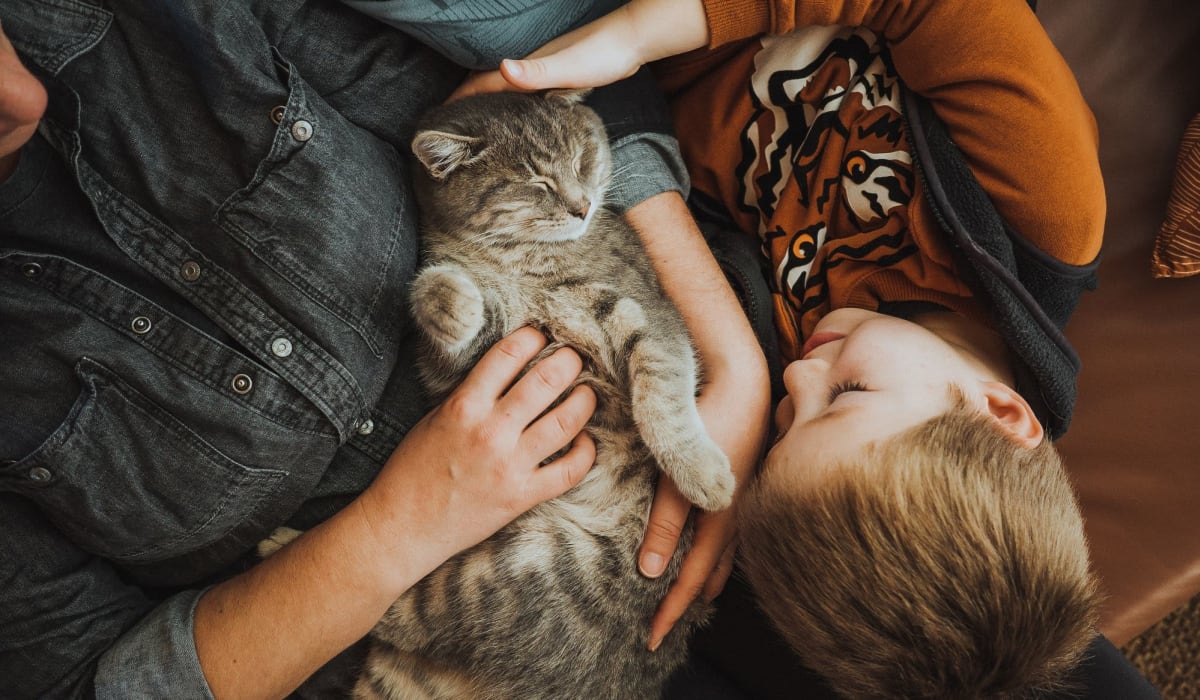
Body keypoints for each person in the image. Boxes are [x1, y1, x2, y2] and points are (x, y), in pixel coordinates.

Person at [0, 2, 769, 697]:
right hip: (419, 645)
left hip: (659, 489)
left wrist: (729, 360)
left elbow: (549, 60)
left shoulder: (153, 23)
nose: (14, 96)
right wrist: (397, 532)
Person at [458, 0, 1164, 697]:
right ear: (1002, 413)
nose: (798, 373)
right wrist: (638, 33)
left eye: (791, 418)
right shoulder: (1046, 209)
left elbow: (631, 171)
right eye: (847, 395)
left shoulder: (796, 353)